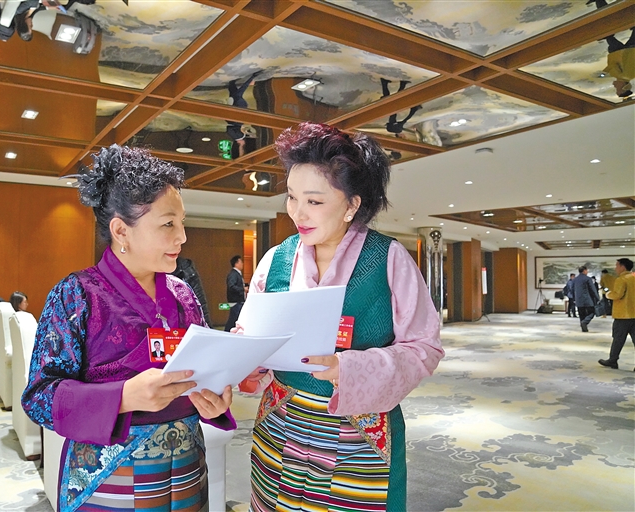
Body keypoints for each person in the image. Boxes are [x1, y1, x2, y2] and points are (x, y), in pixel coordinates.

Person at [240, 122, 444, 511]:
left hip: (357, 431)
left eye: (314, 201)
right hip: (281, 422)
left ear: (352, 205)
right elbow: (251, 334)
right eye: (291, 197)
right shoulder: (276, 259)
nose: (297, 212)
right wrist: (245, 354)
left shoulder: (387, 259)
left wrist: (348, 368)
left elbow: (424, 347)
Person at [22, 144, 234, 512]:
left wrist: (214, 399)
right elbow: (40, 398)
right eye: (168, 224)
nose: (182, 236)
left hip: (187, 469)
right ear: (121, 230)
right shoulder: (77, 295)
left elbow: (205, 371)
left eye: (182, 222)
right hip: (108, 477)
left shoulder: (182, 294)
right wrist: (123, 397)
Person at [598, 258, 635, 370]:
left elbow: (617, 295)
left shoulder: (621, 279)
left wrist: (608, 294)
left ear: (622, 267)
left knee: (618, 339)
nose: (615, 268)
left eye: (617, 266)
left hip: (623, 314)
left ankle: (613, 360)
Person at [572, 266, 600, 332]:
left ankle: (584, 328)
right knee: (592, 312)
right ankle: (585, 322)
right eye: (587, 270)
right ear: (584, 270)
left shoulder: (575, 279)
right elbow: (593, 289)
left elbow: (572, 290)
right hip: (587, 299)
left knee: (581, 314)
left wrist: (574, 299)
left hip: (578, 299)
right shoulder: (588, 279)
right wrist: (597, 298)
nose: (587, 272)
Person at [224, 255, 246, 332]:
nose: (242, 264)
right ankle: (227, 331)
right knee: (234, 318)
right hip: (236, 301)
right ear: (236, 263)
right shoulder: (234, 274)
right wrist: (242, 289)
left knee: (234, 318)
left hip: (237, 301)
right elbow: (231, 286)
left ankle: (228, 331)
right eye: (241, 262)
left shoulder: (236, 274)